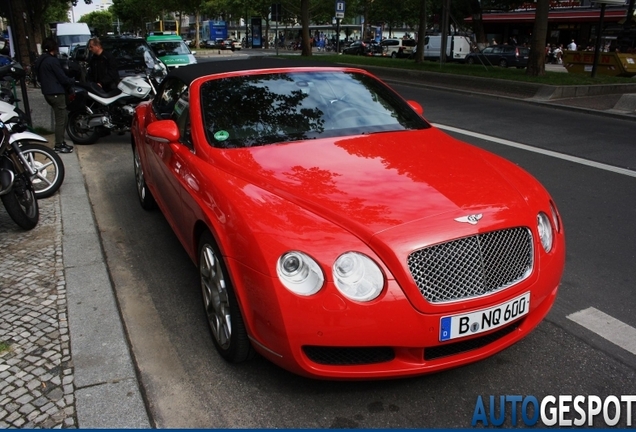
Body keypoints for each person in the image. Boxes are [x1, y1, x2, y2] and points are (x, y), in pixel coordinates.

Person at [34, 38, 74, 153]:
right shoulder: (52, 61)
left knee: (62, 117)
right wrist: (72, 81)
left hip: (48, 92)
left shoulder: (41, 60)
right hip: (56, 92)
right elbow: (62, 77)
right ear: (53, 48)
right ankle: (59, 144)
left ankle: (60, 142)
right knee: (61, 119)